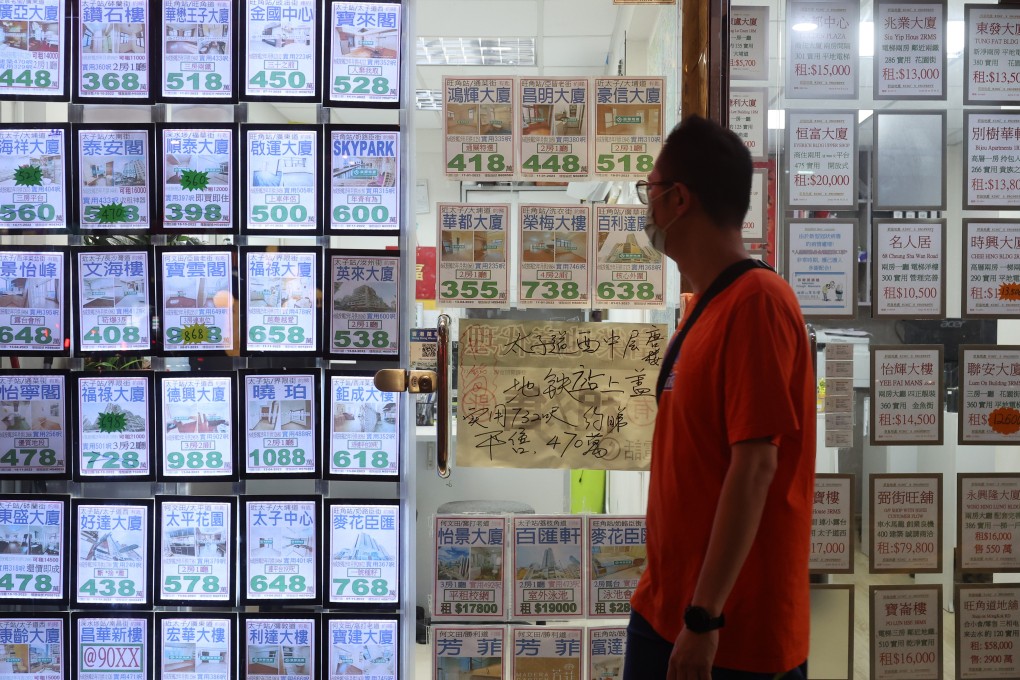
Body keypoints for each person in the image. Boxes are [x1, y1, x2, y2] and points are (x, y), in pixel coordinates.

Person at [624, 115, 816, 680]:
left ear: (678, 199)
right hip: (667, 606)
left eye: (650, 190)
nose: (647, 207)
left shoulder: (758, 303)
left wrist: (704, 617)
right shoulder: (705, 305)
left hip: (728, 634)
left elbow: (755, 467)